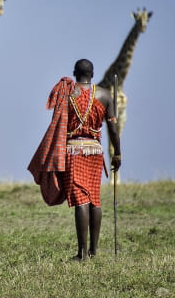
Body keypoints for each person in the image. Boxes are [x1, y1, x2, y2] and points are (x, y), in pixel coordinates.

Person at [28, 59, 122, 261]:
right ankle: (94, 251)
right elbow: (113, 128)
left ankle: (82, 254)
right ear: (93, 74)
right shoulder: (105, 95)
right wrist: (117, 153)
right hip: (95, 153)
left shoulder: (67, 93)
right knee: (94, 200)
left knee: (81, 200)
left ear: (74, 72)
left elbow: (58, 123)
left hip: (73, 152)